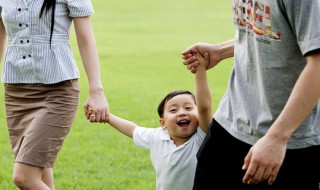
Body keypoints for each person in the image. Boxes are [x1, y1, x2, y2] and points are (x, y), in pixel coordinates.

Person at [181, 0, 320, 189]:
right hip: (229, 125)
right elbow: (269, 29)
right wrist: (221, 51)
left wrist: (277, 138)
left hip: (285, 143)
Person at [0, 0, 109, 189]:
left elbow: (86, 40)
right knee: (40, 176)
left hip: (58, 89)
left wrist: (96, 90)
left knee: (24, 177)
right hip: (16, 92)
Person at [87, 53, 212, 190]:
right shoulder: (157, 137)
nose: (182, 112)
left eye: (188, 108)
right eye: (173, 110)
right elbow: (132, 130)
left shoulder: (201, 139)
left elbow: (204, 108)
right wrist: (107, 117)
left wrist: (199, 70)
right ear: (163, 123)